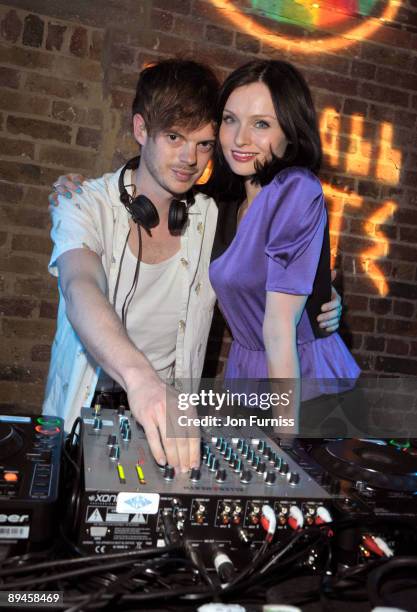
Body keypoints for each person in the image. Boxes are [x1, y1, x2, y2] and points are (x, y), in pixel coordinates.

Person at [46, 59, 342, 469]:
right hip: (87, 409)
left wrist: (319, 298)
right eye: (173, 137)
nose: (190, 157)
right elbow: (81, 288)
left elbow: (267, 273)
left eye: (204, 143)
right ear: (140, 129)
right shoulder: (84, 205)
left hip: (173, 421)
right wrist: (142, 381)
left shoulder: (212, 217)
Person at [207, 60, 360, 429]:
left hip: (305, 387)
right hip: (246, 379)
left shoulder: (295, 189)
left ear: (290, 133)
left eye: (261, 123)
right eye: (230, 120)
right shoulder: (223, 200)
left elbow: (278, 327)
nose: (240, 138)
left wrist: (284, 436)